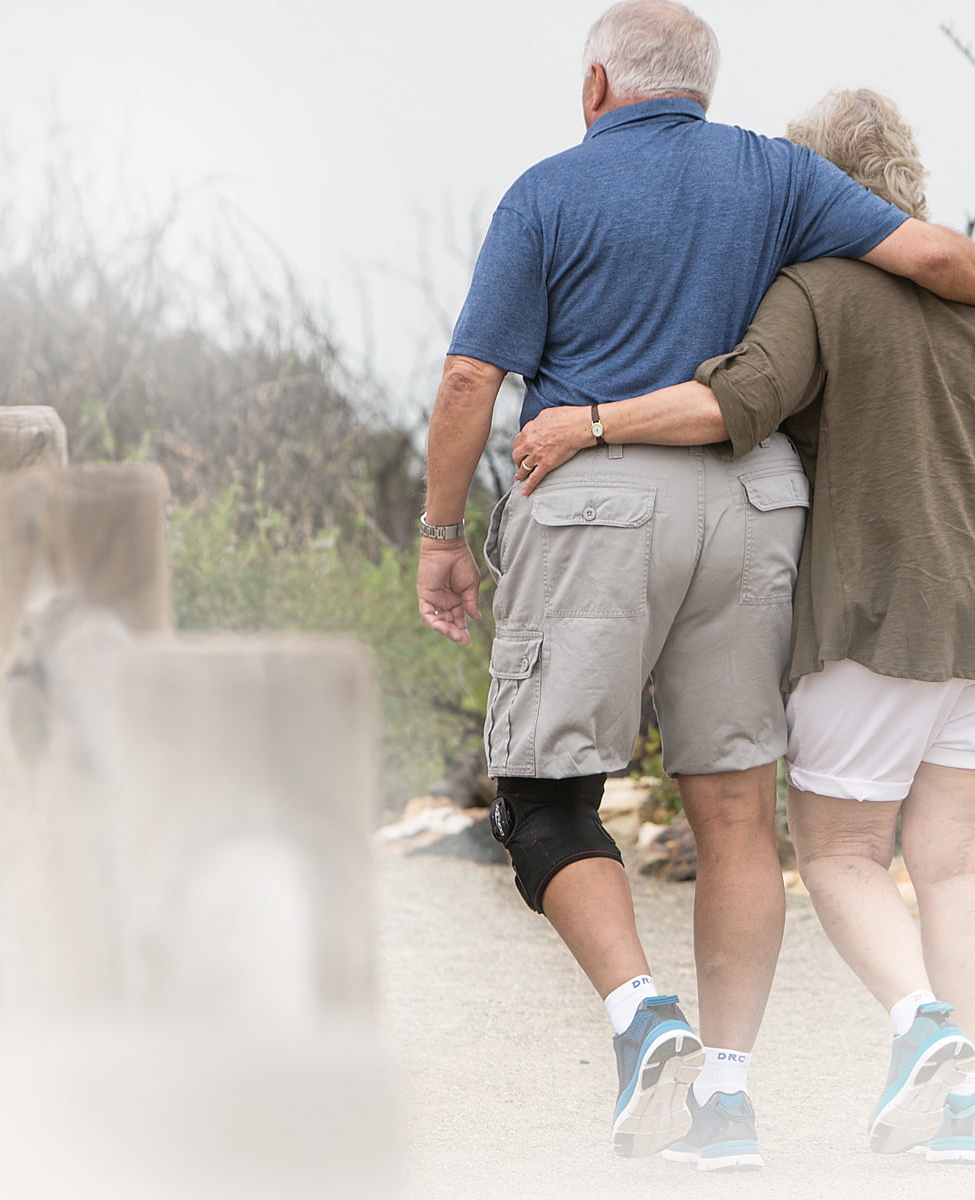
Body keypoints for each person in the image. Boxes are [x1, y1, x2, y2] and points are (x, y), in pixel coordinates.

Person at [417, 0, 975, 1171]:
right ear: (704, 88)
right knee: (735, 818)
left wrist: (441, 534)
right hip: (756, 508)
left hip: (599, 498)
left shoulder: (548, 193)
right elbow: (932, 257)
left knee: (541, 795)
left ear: (595, 87)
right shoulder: (776, 176)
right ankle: (726, 1100)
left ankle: (641, 1013)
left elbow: (470, 377)